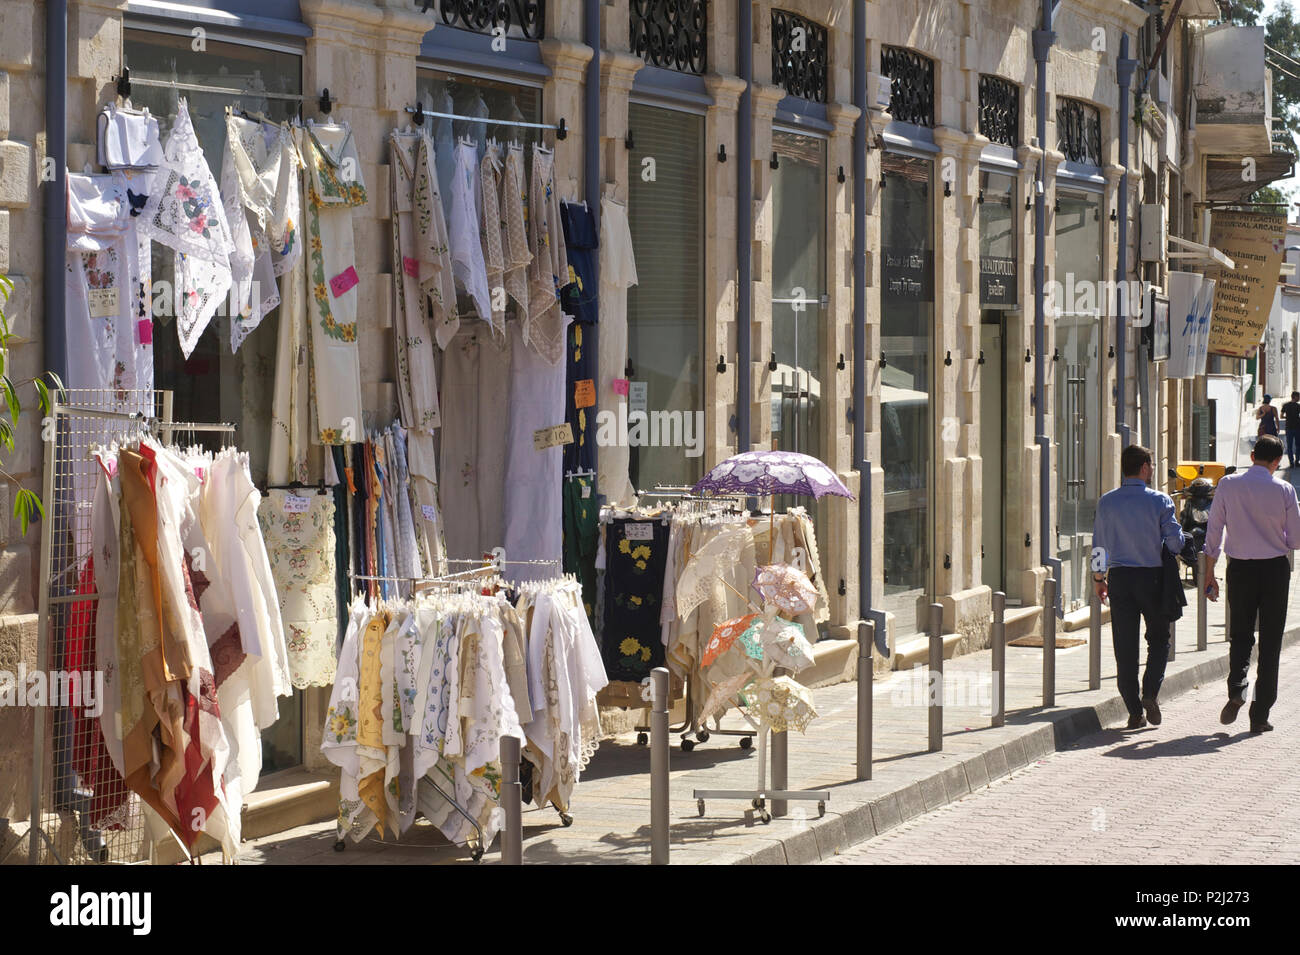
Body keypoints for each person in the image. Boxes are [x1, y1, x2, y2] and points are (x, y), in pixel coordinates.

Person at [1204, 434, 1300, 733]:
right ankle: (1260, 715)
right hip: (1273, 570)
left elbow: (1214, 531)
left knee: (1241, 634)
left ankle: (1237, 688)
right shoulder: (1285, 489)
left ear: (1252, 456)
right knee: (1271, 642)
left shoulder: (1228, 484)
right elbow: (1295, 539)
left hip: (1240, 569)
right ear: (1277, 462)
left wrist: (1209, 575)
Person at [1092, 445, 1186, 729]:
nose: (1153, 469)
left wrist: (1099, 579)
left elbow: (1099, 543)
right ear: (1144, 467)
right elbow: (1175, 543)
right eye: (1152, 464)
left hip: (1120, 579)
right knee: (1159, 640)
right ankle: (1150, 693)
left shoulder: (1106, 502)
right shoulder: (1160, 501)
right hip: (1153, 579)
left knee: (1125, 647)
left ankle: (1134, 711)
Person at [1282, 391, 1300, 468]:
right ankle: (1297, 461)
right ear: (1295, 397)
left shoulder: (1285, 405)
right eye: (1298, 397)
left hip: (1288, 428)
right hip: (1297, 428)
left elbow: (1281, 416)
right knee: (1298, 445)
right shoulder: (1298, 406)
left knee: (1289, 446)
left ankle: (1291, 462)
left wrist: (1287, 417)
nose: (1299, 398)